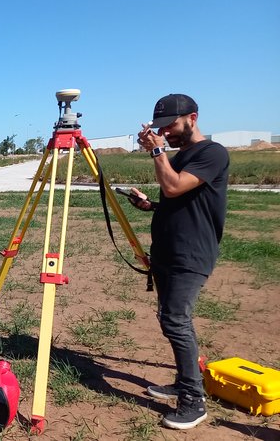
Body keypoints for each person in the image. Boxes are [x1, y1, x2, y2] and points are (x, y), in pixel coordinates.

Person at [128, 94, 229, 430]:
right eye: (160, 128)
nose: (166, 132)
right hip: (168, 250)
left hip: (191, 254)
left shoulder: (211, 153)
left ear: (193, 118)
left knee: (175, 320)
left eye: (170, 125)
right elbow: (179, 202)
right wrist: (149, 206)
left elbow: (173, 188)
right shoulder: (183, 156)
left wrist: (157, 152)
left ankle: (193, 400)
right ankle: (185, 380)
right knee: (171, 319)